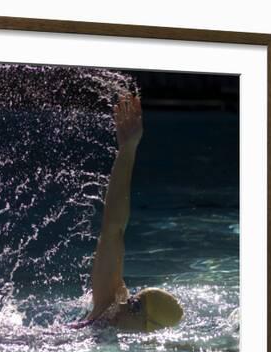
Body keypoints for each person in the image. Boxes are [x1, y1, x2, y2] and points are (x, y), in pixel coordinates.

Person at [69, 94, 184, 331]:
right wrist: (127, 149)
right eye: (131, 301)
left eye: (134, 307)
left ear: (148, 328)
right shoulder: (105, 310)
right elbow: (113, 229)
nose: (123, 306)